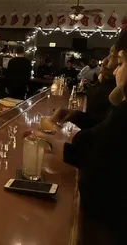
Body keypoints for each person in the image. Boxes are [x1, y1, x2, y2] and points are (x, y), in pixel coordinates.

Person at [50, 49, 127, 243]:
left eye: (121, 63)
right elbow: (102, 127)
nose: (115, 69)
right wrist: (76, 116)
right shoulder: (120, 109)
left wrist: (57, 146)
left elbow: (99, 165)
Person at [85, 45, 118, 116]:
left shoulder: (110, 89)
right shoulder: (104, 80)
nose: (104, 60)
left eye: (112, 55)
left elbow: (93, 111)